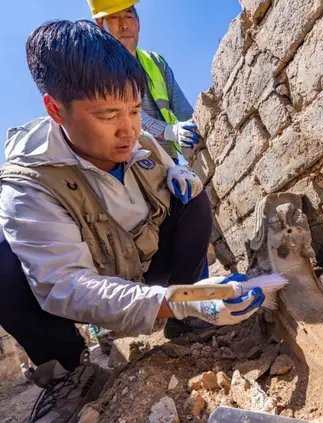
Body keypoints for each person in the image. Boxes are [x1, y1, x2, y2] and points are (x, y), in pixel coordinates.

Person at [0, 20, 284, 422]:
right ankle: (69, 373)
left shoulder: (142, 142)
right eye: (107, 115)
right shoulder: (29, 183)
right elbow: (64, 285)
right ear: (55, 110)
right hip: (91, 291)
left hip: (149, 269)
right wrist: (185, 301)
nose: (128, 129)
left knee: (193, 196)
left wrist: (176, 174)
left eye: (134, 110)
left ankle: (184, 327)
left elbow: (168, 172)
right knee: (2, 261)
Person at [89, 0, 199, 163]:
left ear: (138, 22)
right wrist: (171, 132)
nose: (124, 25)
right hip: (134, 165)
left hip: (170, 160)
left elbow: (182, 107)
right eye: (114, 18)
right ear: (100, 26)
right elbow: (130, 116)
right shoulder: (101, 71)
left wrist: (198, 125)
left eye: (128, 16)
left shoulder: (154, 61)